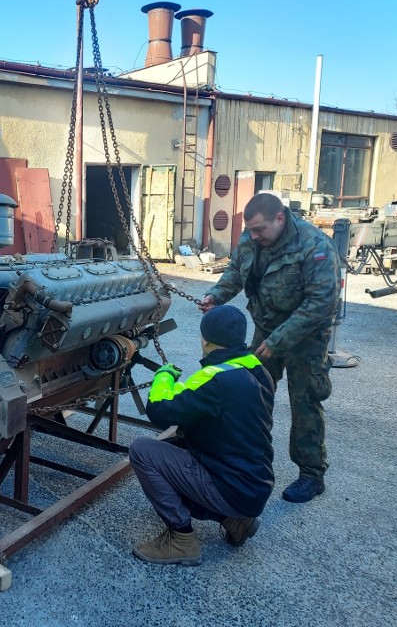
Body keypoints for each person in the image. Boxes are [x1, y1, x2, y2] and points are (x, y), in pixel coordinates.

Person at [200, 192, 340, 503]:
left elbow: (322, 302)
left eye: (259, 229)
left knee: (305, 402)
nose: (254, 235)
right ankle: (246, 461)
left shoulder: (313, 244)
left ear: (280, 218)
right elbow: (235, 272)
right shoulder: (252, 239)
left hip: (306, 337)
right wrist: (216, 296)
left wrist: (278, 341)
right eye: (250, 229)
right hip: (266, 330)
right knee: (253, 393)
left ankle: (311, 475)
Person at [129, 305, 275, 566]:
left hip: (231, 486)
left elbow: (159, 410)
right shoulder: (258, 371)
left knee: (144, 451)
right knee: (177, 444)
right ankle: (235, 519)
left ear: (205, 340)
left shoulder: (215, 379)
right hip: (255, 484)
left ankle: (181, 541)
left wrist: (163, 376)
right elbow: (205, 403)